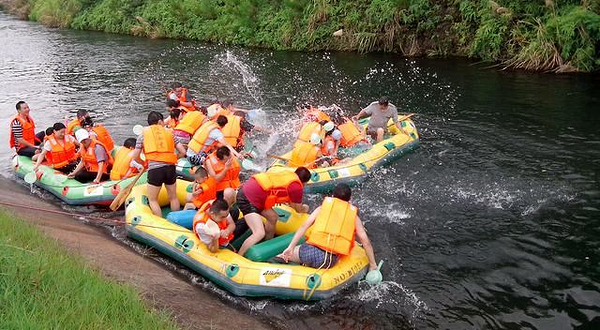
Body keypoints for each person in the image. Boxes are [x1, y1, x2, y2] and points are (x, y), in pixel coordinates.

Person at [278, 183, 378, 271]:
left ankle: (271, 267)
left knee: (284, 256)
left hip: (308, 252)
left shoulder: (321, 209)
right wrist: (373, 264)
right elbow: (366, 242)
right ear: (349, 200)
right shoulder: (354, 218)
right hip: (328, 260)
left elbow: (304, 226)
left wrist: (290, 248)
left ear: (333, 196)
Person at [236, 167, 311, 257]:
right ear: (305, 182)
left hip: (252, 193)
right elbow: (297, 208)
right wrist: (305, 208)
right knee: (259, 233)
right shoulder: (297, 187)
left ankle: (267, 243)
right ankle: (239, 255)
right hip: (247, 198)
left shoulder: (288, 174)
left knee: (273, 217)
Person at [129, 111, 187, 217]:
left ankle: (160, 222)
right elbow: (183, 152)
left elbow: (135, 156)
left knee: (153, 199)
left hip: (155, 170)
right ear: (160, 121)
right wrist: (174, 158)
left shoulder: (142, 135)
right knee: (173, 197)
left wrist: (144, 163)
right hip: (170, 168)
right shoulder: (170, 132)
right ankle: (177, 219)